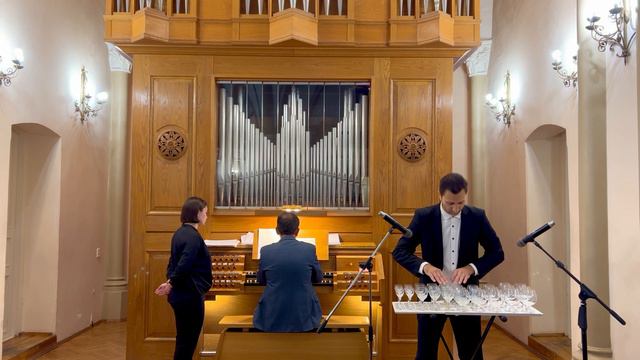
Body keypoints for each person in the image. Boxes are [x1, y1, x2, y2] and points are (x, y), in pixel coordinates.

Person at [392, 173, 504, 360]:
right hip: (431, 294)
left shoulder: (477, 217)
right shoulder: (424, 216)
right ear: (439, 196)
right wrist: (426, 267)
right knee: (425, 354)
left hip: (467, 295)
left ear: (465, 196)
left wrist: (471, 268)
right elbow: (400, 251)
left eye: (460, 203)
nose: (455, 208)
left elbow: (497, 253)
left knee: (472, 353)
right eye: (450, 203)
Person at [155, 196, 213, 360]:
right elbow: (185, 263)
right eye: (205, 212)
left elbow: (173, 262)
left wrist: (170, 282)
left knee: (183, 340)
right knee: (188, 341)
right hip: (189, 295)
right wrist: (171, 282)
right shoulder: (193, 236)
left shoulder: (179, 233)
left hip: (181, 294)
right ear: (197, 213)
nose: (206, 215)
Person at [253, 212, 324, 332]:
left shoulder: (266, 250)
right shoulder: (309, 249)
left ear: (276, 230)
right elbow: (318, 278)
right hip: (304, 314)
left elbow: (261, 280)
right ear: (298, 230)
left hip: (272, 313)